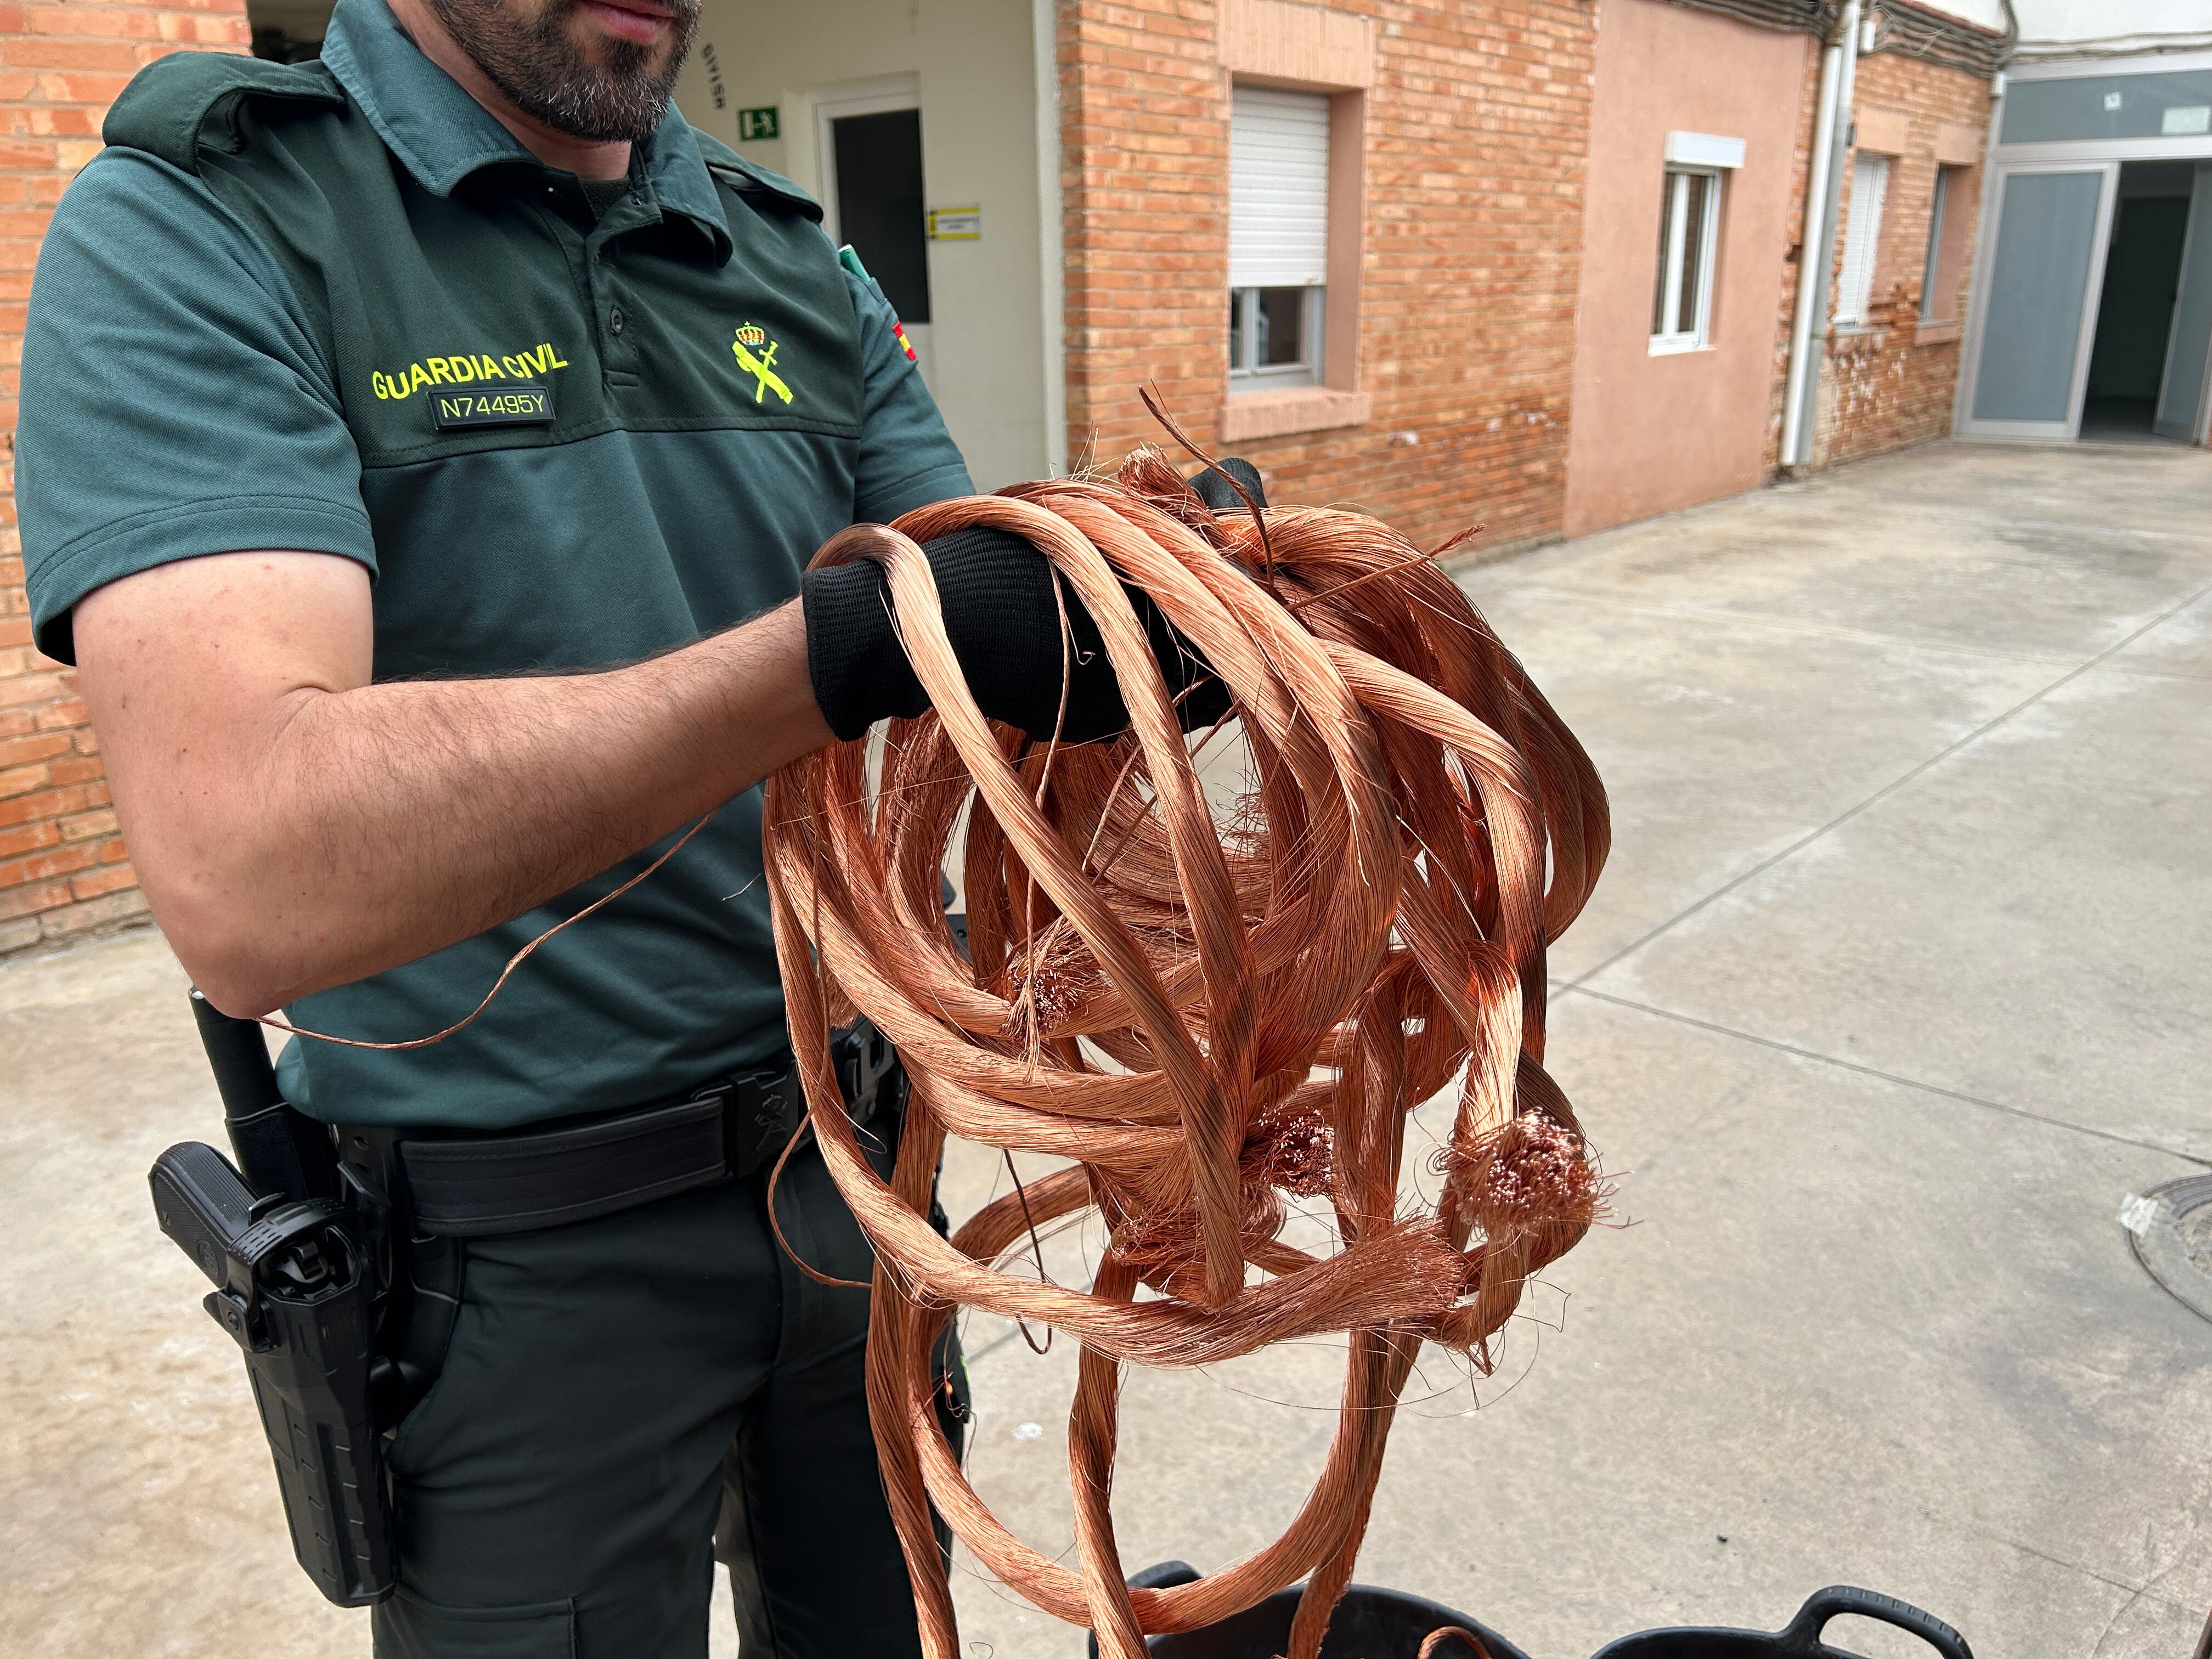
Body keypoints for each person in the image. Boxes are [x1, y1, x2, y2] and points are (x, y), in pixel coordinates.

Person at [18, 0, 1254, 1651]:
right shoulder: (211, 218)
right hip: (518, 1266)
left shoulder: (784, 254)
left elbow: (963, 630)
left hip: (856, 1188)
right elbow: (251, 871)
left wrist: (1124, 623)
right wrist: (838, 655)